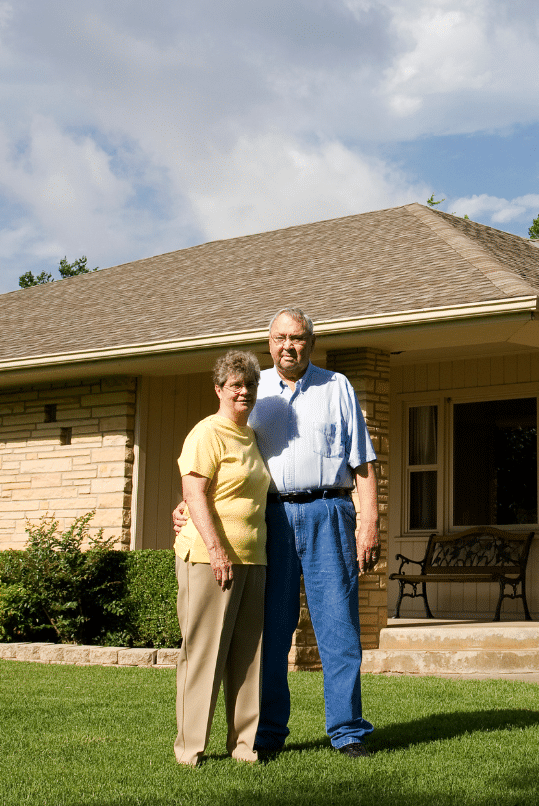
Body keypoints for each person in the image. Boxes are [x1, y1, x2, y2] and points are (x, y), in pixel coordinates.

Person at [174, 308, 380, 758]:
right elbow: (224, 460)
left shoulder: (337, 387)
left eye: (299, 337)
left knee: (339, 628)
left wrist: (369, 523)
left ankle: (347, 732)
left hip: (330, 512)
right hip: (272, 520)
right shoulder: (253, 388)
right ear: (269, 343)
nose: (290, 345)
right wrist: (190, 501)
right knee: (271, 631)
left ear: (312, 341)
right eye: (281, 337)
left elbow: (362, 463)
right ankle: (265, 734)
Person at [173, 350, 270, 768]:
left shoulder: (251, 437)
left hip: (253, 559)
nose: (243, 391)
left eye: (249, 385)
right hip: (209, 558)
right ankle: (190, 748)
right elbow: (193, 493)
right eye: (235, 385)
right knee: (204, 654)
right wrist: (215, 550)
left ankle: (244, 746)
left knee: (248, 657)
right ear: (219, 389)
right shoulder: (207, 433)